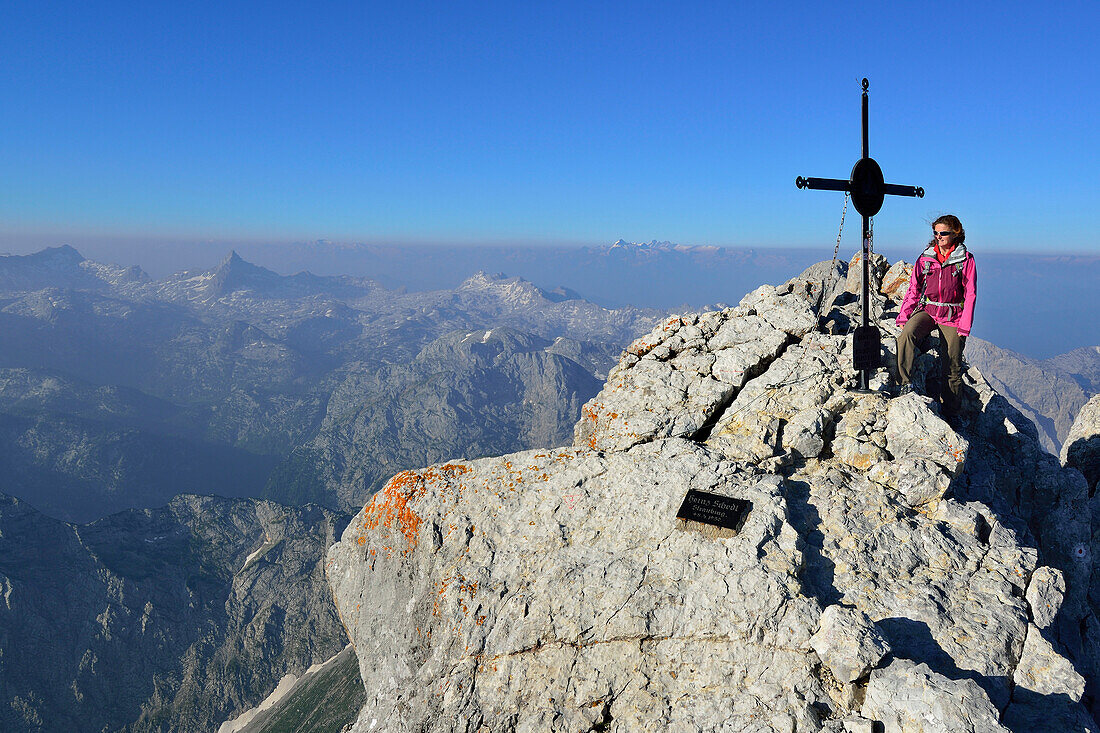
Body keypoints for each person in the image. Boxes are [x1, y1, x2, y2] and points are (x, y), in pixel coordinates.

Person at [894, 215, 977, 416]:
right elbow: (914, 288)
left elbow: (971, 293)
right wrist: (904, 316)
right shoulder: (926, 258)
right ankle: (904, 383)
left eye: (944, 233)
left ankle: (951, 410)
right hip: (928, 310)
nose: (939, 237)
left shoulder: (965, 260)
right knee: (906, 335)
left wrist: (964, 326)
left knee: (952, 362)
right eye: (936, 233)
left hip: (952, 315)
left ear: (956, 233)